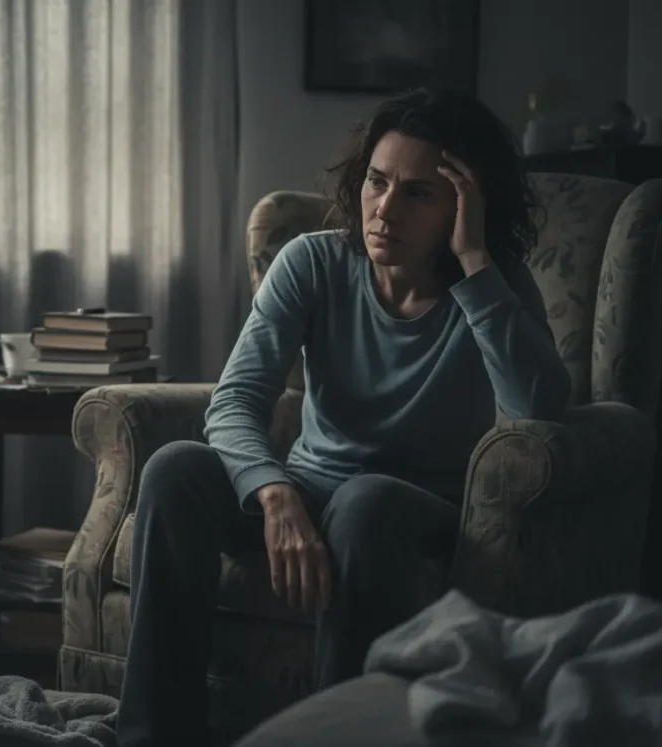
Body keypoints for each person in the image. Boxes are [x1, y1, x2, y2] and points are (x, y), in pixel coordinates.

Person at [115, 87, 572, 747]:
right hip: (309, 485)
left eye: (418, 193)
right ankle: (154, 738)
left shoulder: (491, 286)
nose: (383, 209)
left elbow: (539, 410)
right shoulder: (313, 262)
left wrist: (475, 264)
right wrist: (274, 495)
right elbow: (236, 399)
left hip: (412, 506)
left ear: (464, 206)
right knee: (174, 470)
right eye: (377, 182)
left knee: (363, 502)